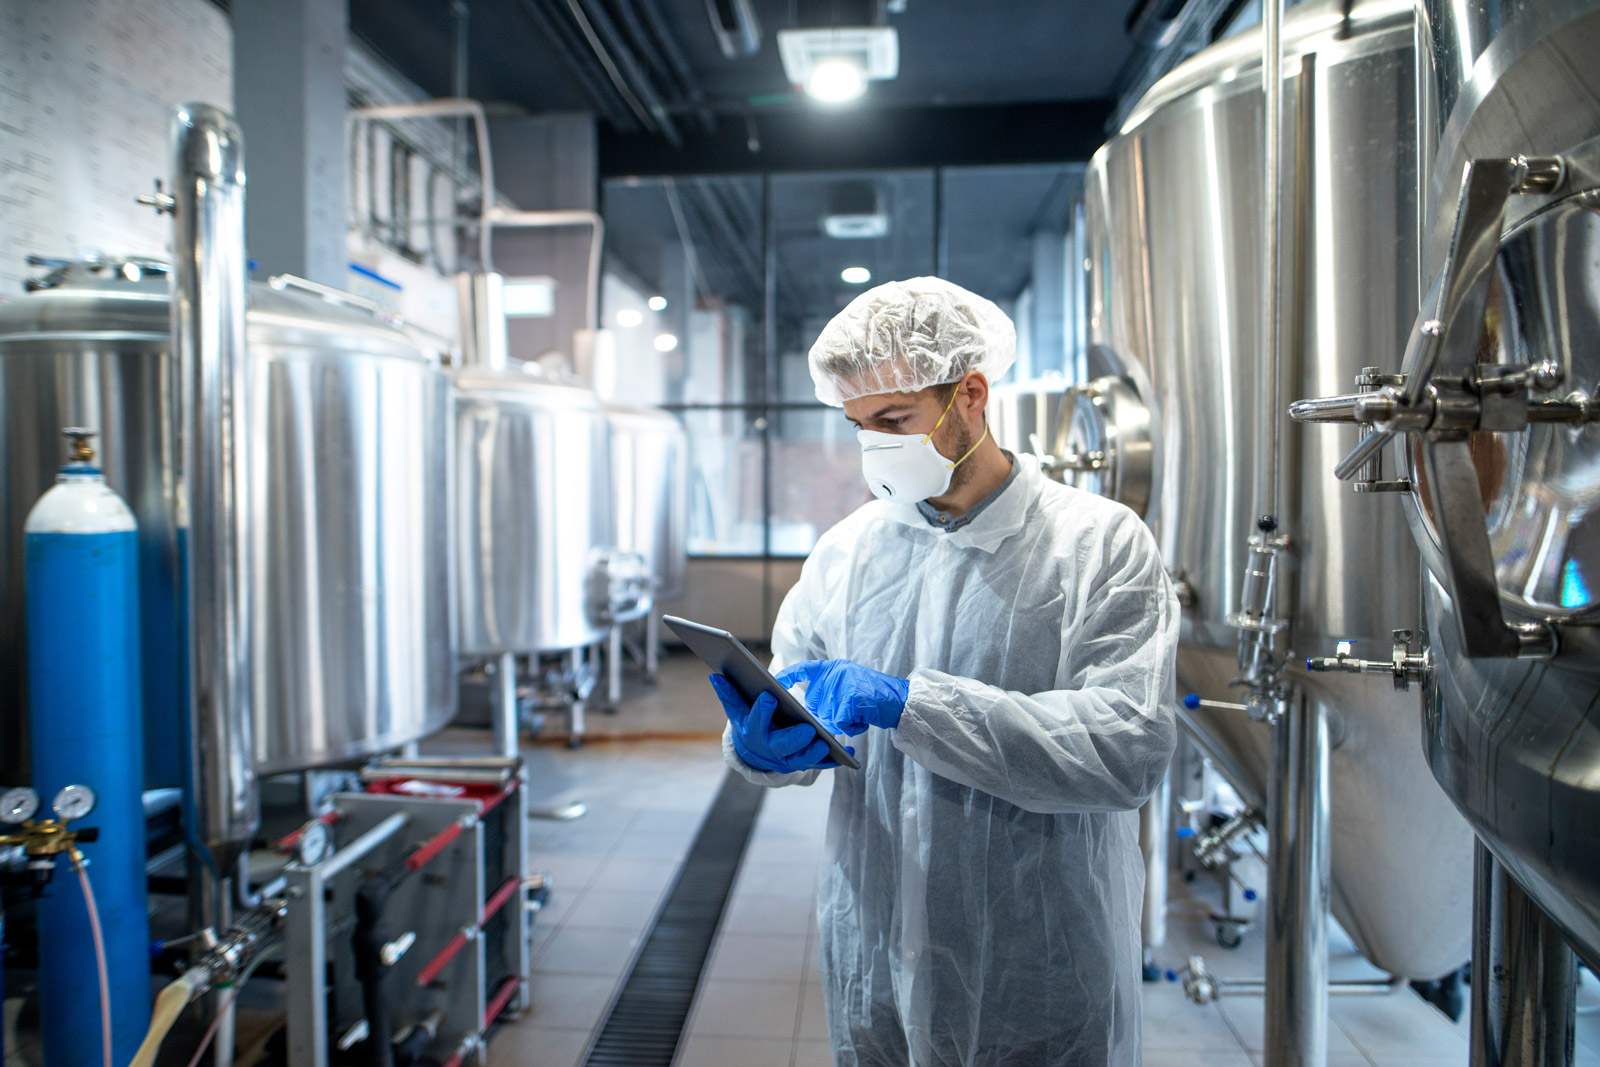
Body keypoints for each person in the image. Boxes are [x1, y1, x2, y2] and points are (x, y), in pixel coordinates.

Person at [711, 277, 1180, 1067]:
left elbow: (1127, 747)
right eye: (859, 426)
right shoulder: (846, 553)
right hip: (875, 957)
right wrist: (759, 747)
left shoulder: (1098, 544)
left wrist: (910, 704)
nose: (875, 447)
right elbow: (793, 692)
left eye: (894, 420)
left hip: (1042, 963)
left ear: (970, 394)